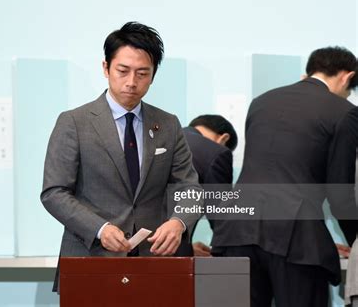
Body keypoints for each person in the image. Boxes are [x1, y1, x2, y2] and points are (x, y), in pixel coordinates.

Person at [41, 22, 202, 291]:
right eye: (123, 71)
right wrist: (100, 228)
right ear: (106, 68)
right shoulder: (74, 122)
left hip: (154, 261)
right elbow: (54, 192)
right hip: (90, 258)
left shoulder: (168, 124)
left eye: (142, 73)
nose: (131, 82)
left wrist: (179, 222)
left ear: (153, 75)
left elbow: (190, 188)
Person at [211, 46, 357, 307]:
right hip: (294, 239)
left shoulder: (262, 101)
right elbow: (339, 193)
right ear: (347, 76)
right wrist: (356, 241)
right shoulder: (343, 112)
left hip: (235, 230)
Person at [177, 114, 238, 256]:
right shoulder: (215, 153)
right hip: (169, 257)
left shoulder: (164, 139)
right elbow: (221, 221)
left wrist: (188, 249)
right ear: (224, 139)